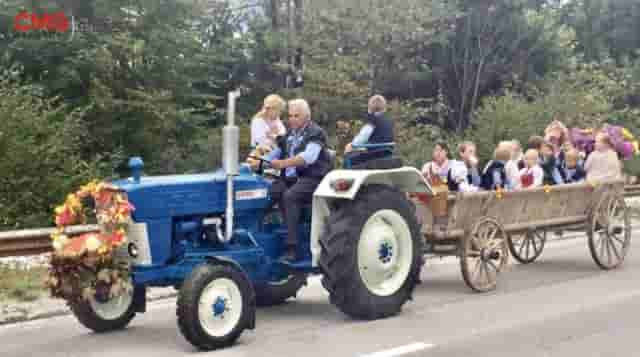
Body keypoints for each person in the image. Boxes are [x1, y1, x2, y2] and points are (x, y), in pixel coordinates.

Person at [259, 99, 332, 261]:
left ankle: (292, 248)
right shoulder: (290, 134)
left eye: (296, 116)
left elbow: (309, 157)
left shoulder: (315, 133)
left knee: (290, 196)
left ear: (307, 116)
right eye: (290, 116)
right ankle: (262, 238)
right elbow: (276, 152)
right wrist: (258, 162)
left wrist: (283, 163)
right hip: (291, 178)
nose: (291, 119)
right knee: (266, 192)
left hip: (313, 177)